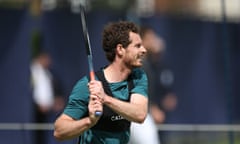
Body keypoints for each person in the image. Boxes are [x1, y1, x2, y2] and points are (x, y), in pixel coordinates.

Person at [53, 21, 148, 144]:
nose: (144, 50)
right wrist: (90, 121)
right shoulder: (87, 85)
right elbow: (59, 131)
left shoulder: (138, 77)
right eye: (137, 46)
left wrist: (105, 99)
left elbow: (140, 114)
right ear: (120, 49)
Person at [129, 26, 177, 144]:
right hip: (135, 117)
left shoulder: (150, 64)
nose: (153, 41)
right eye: (150, 38)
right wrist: (152, 108)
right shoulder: (136, 65)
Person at [30, 31, 65, 144]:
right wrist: (37, 105)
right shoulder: (32, 71)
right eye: (46, 58)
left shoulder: (49, 74)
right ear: (41, 57)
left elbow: (55, 89)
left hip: (48, 112)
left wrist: (55, 101)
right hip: (37, 112)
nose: (49, 61)